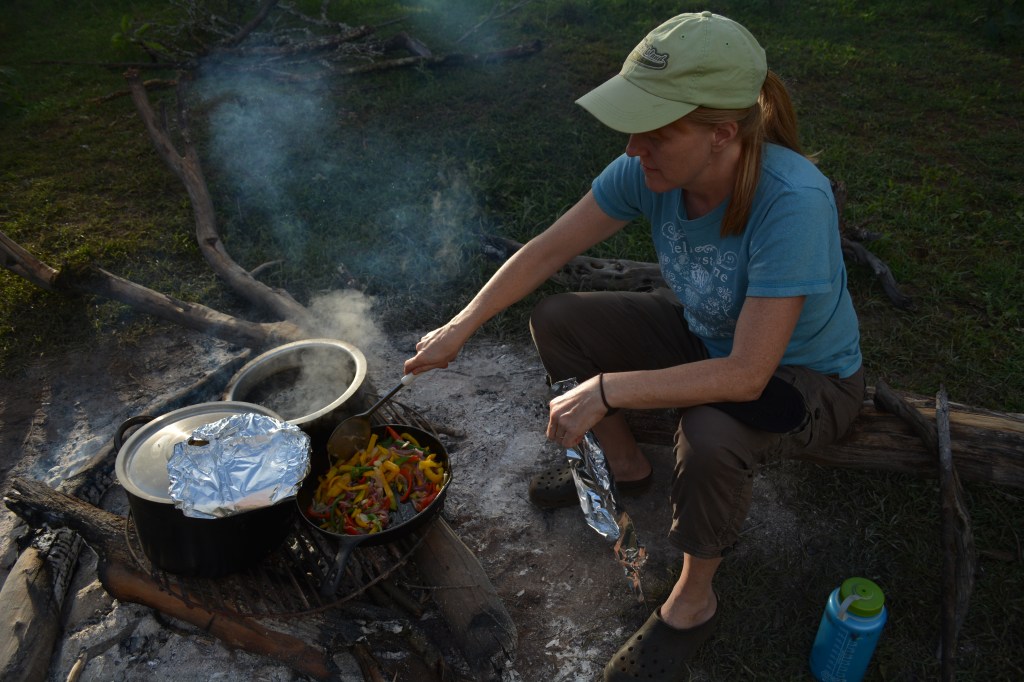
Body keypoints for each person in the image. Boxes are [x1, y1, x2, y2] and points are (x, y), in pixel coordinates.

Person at [404, 11, 865, 681]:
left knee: (709, 434)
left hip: (805, 379)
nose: (632, 148)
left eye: (654, 132)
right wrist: (460, 326)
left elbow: (746, 374)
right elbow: (548, 251)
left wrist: (606, 389)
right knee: (561, 320)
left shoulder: (791, 200)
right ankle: (625, 468)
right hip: (710, 339)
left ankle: (692, 599)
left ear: (722, 134)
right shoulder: (645, 169)